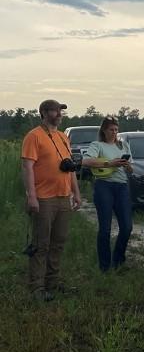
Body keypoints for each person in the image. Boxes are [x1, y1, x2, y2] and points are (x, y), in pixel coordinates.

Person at [21, 99, 82, 301]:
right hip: (43, 198)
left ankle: (52, 283)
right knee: (41, 244)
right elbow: (27, 167)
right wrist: (32, 196)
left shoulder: (63, 137)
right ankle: (37, 288)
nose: (60, 114)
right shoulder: (34, 136)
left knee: (58, 242)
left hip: (63, 197)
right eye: (56, 111)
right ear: (45, 112)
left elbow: (70, 167)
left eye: (60, 111)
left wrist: (77, 193)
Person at [82, 116, 133, 272]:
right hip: (104, 186)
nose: (114, 132)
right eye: (111, 129)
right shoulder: (97, 145)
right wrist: (109, 163)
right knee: (105, 228)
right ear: (104, 130)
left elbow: (130, 168)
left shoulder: (123, 145)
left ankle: (118, 260)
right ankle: (104, 266)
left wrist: (126, 166)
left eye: (116, 129)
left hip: (122, 186)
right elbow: (86, 161)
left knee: (127, 227)